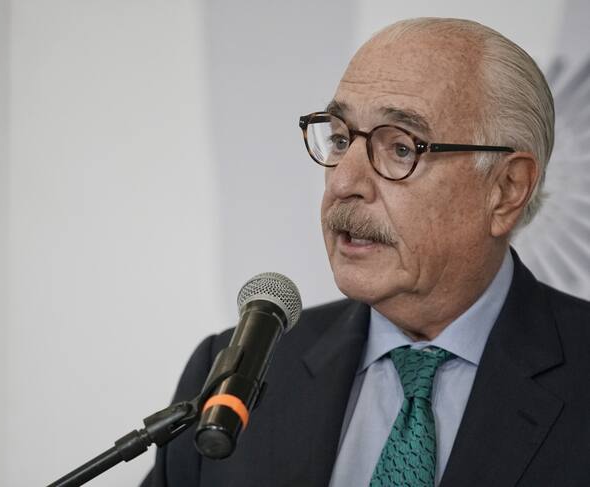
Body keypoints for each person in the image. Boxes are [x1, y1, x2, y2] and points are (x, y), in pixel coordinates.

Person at [141, 17, 590, 487]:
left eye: (401, 148)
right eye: (340, 139)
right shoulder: (231, 376)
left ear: (507, 188)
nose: (343, 182)